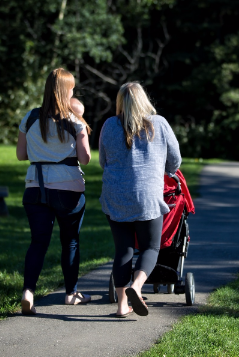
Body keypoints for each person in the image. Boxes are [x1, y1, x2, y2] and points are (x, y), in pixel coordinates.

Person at [99, 82, 181, 317]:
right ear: (144, 100)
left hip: (115, 196)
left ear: (120, 102)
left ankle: (122, 305)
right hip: (146, 197)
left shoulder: (109, 125)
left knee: (123, 249)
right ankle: (137, 286)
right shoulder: (160, 124)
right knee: (150, 247)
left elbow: (103, 161)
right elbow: (175, 161)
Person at [16, 68, 92, 315]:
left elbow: (21, 155)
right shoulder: (74, 121)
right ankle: (71, 294)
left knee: (38, 242)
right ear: (65, 90)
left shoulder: (30, 117)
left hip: (35, 187)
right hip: (67, 188)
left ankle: (28, 291)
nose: (73, 91)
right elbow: (86, 158)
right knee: (69, 241)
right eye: (71, 88)